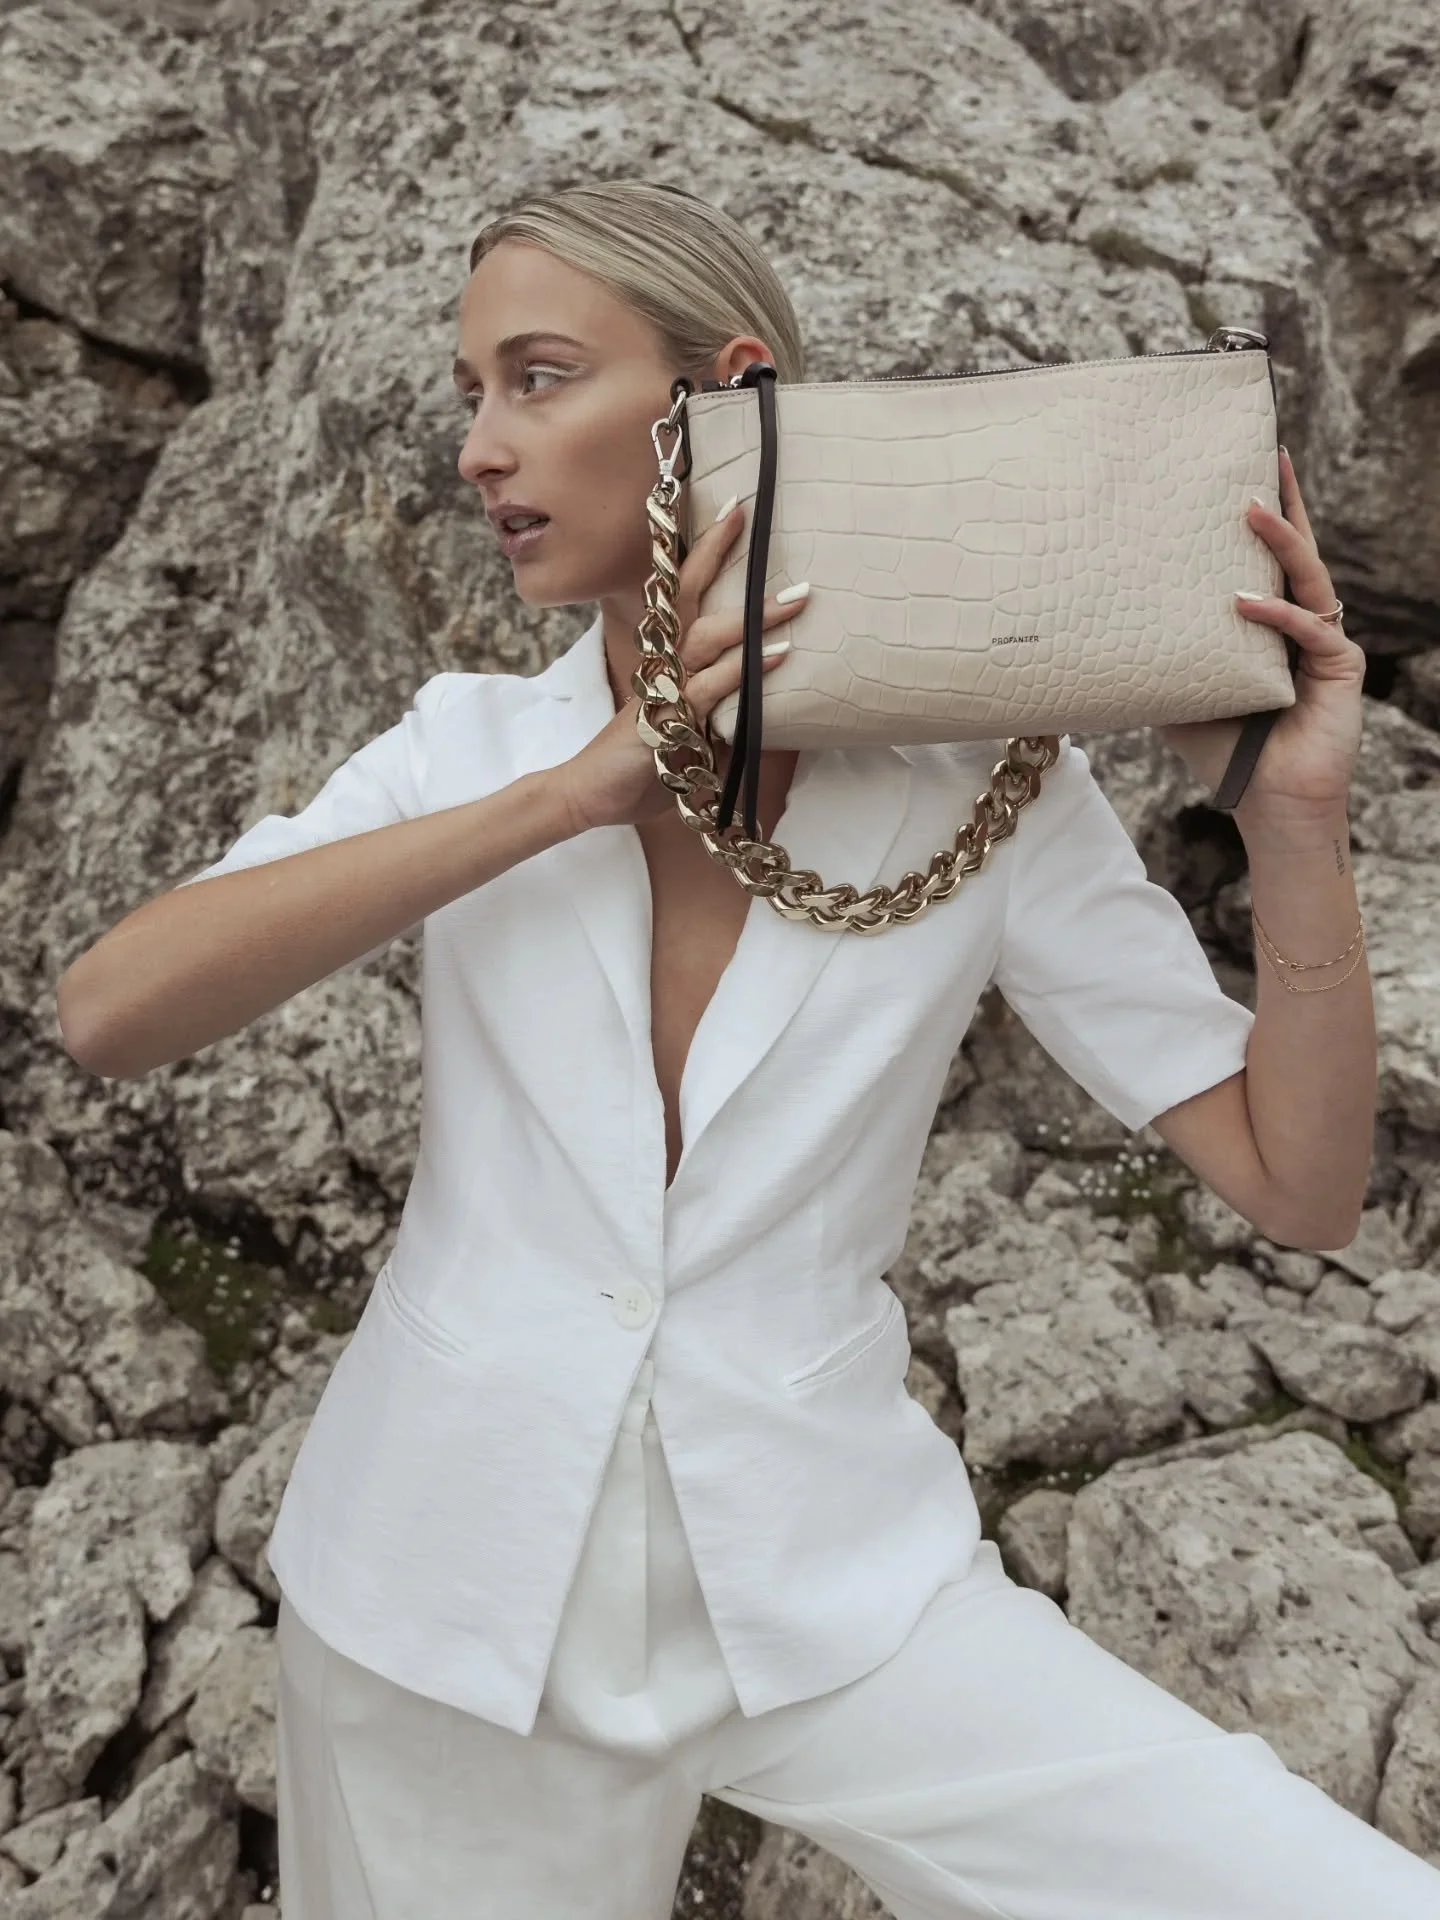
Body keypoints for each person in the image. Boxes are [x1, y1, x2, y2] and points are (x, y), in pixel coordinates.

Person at [57, 180, 1439, 1917]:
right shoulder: (470, 743)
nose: (484, 446)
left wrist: (1297, 821)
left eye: (539, 377)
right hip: (446, 1603)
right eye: (469, 391)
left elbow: (1301, 1185)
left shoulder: (990, 783)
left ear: (725, 391)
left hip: (837, 1580)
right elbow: (112, 1012)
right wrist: (574, 792)